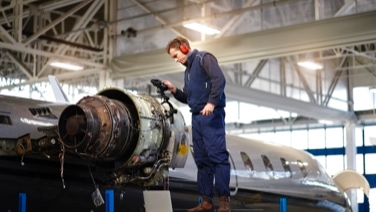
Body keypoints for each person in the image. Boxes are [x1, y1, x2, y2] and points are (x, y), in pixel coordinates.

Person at [162, 36, 230, 212]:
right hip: (197, 117)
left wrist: (212, 103)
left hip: (211, 115)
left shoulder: (204, 58)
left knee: (218, 157)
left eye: (176, 55)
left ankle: (224, 202)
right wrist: (174, 90)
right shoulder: (188, 71)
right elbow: (188, 97)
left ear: (184, 48)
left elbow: (219, 80)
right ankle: (207, 201)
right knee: (201, 159)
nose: (176, 60)